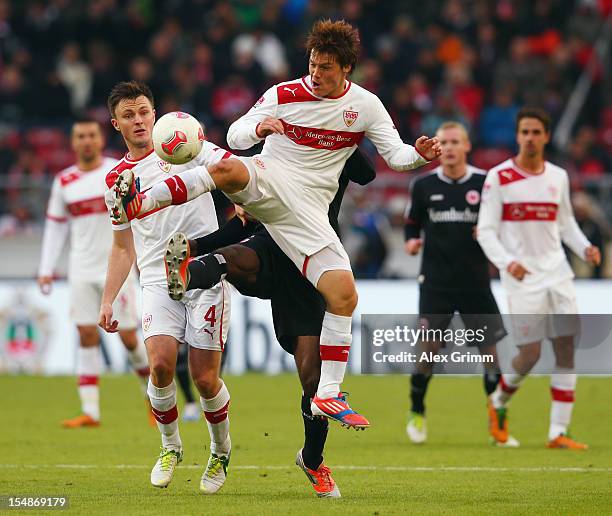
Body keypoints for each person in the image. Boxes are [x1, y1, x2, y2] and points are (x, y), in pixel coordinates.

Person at [107, 20, 441, 429]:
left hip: (308, 212)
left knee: (344, 296)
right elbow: (236, 132)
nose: (316, 74)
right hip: (271, 177)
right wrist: (259, 127)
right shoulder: (283, 94)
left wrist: (420, 155)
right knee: (229, 169)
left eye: (326, 68)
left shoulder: (366, 106)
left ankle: (330, 395)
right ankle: (142, 200)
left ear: (347, 69)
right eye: (313, 65)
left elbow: (397, 157)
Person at [164, 148, 375, 498]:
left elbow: (366, 172)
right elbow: (243, 220)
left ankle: (312, 459)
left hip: (312, 259)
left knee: (313, 382)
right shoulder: (268, 148)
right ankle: (186, 275)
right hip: (270, 245)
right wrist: (197, 245)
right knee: (230, 260)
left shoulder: (335, 138)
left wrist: (342, 132)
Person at [98, 81, 232, 492]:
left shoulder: (187, 145)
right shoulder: (118, 179)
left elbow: (232, 171)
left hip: (205, 271)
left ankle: (221, 450)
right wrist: (108, 300)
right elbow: (123, 247)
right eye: (128, 114)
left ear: (155, 114)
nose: (138, 120)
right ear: (116, 123)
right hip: (157, 276)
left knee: (205, 379)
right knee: (158, 364)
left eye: (143, 111)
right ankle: (170, 446)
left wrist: (242, 196)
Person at [477, 107, 601, 449]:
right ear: (517, 136)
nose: (530, 138)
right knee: (529, 354)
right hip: (522, 278)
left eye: (536, 132)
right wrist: (507, 262)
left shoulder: (557, 177)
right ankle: (498, 401)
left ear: (546, 137)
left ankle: (558, 432)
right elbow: (485, 232)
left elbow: (565, 225)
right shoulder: (499, 177)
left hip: (557, 273)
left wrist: (585, 247)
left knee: (565, 348)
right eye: (525, 132)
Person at [38, 118, 149, 429]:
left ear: (100, 139)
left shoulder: (117, 173)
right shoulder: (64, 181)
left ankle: (153, 399)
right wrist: (46, 268)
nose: (86, 141)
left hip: (118, 266)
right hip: (80, 268)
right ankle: (91, 412)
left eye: (91, 135)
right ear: (73, 143)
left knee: (128, 337)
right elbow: (55, 227)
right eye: (80, 137)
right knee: (86, 334)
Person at [403, 121, 510, 445]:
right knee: (427, 353)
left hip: (476, 283)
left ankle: (498, 426)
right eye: (443, 142)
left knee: (490, 355)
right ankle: (417, 412)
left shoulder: (486, 182)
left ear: (466, 146)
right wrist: (411, 241)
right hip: (435, 283)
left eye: (454, 142)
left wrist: (490, 234)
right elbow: (411, 223)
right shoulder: (422, 185)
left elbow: (502, 224)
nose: (448, 147)